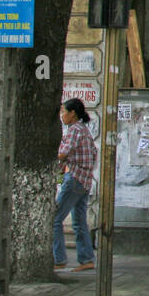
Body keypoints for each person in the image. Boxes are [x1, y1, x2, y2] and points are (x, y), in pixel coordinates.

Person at [55, 98, 97, 272]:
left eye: (64, 112)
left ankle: (59, 259)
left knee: (55, 219)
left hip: (74, 178)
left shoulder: (74, 130)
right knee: (79, 221)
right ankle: (86, 259)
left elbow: (63, 153)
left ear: (72, 113)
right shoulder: (84, 130)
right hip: (85, 180)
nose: (62, 116)